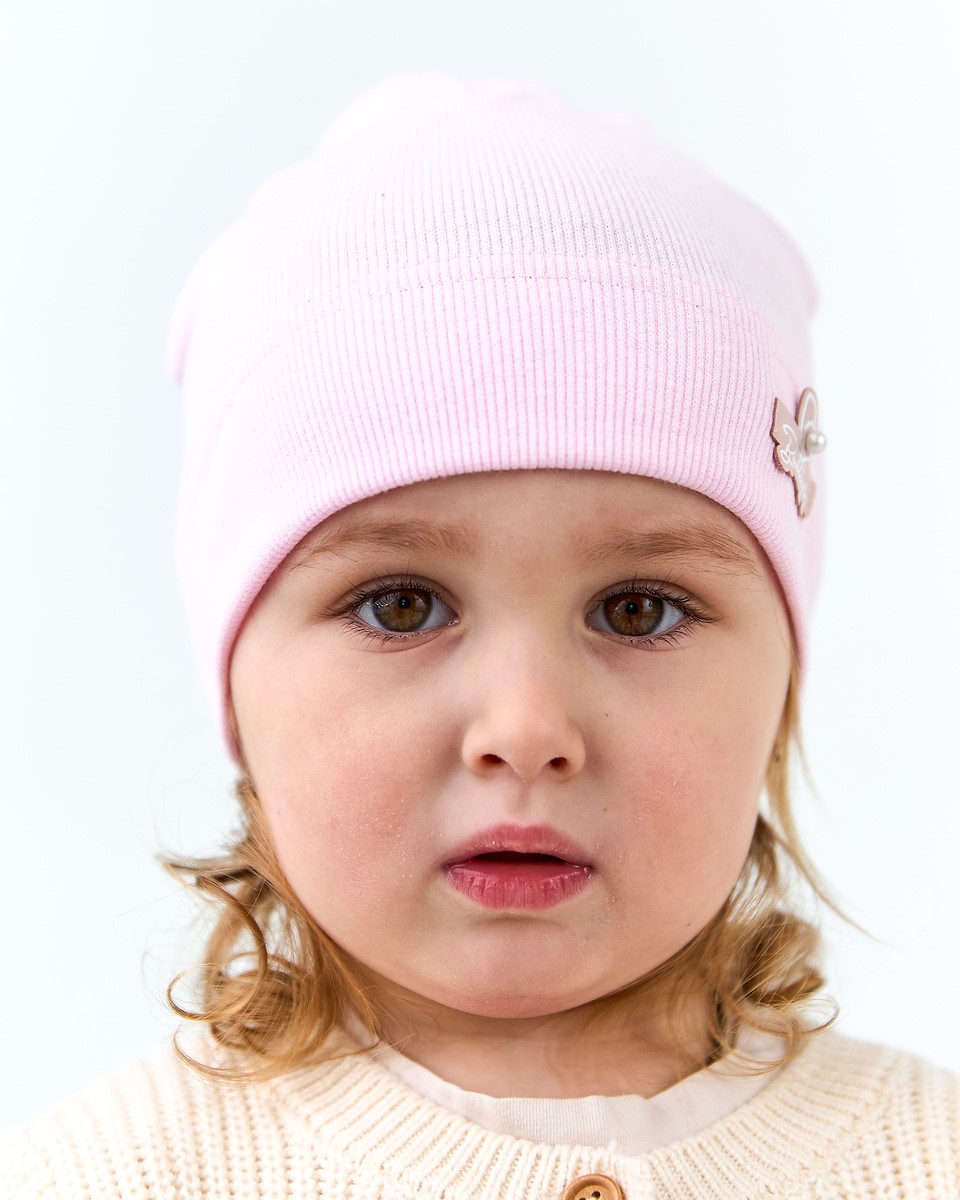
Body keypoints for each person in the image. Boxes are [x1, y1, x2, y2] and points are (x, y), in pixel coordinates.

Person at [2, 72, 957, 1200]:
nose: (527, 728)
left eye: (638, 609)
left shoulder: (925, 1158)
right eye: (401, 606)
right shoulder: (112, 1177)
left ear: (782, 688)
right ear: (237, 691)